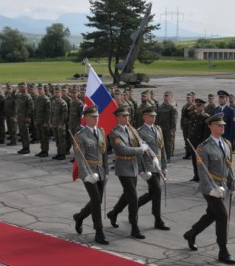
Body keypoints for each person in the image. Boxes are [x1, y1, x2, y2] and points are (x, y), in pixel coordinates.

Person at [182, 113, 235, 265]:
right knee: (222, 215)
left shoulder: (226, 143)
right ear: (211, 127)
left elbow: (228, 167)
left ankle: (191, 234)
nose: (223, 127)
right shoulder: (203, 147)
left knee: (212, 214)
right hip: (211, 188)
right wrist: (211, 189)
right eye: (219, 125)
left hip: (223, 185)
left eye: (223, 125)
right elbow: (202, 171)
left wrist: (232, 185)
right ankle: (223, 250)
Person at [107, 107, 149, 240]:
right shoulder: (114, 133)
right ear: (118, 118)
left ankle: (114, 213)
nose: (127, 118)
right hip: (123, 167)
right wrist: (140, 149)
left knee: (127, 194)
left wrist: (143, 167)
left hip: (134, 166)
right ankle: (134, 226)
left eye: (128, 116)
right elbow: (123, 149)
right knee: (132, 197)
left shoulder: (132, 130)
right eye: (124, 116)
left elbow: (140, 144)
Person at [72, 106, 111, 245]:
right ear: (86, 118)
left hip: (100, 171)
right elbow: (80, 158)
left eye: (97, 116)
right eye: (93, 116)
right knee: (95, 200)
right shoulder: (80, 136)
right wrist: (87, 175)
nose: (96, 118)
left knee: (98, 200)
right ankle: (99, 232)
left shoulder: (101, 132)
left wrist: (106, 172)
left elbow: (104, 153)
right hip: (89, 172)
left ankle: (79, 217)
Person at [136, 105, 170, 231]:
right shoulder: (140, 132)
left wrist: (164, 165)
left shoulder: (158, 129)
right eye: (151, 116)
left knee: (152, 193)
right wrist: (142, 170)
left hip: (158, 165)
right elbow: (140, 153)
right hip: (149, 166)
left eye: (155, 115)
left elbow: (163, 148)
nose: (154, 117)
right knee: (157, 190)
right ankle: (158, 219)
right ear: (144, 117)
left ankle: (133, 206)